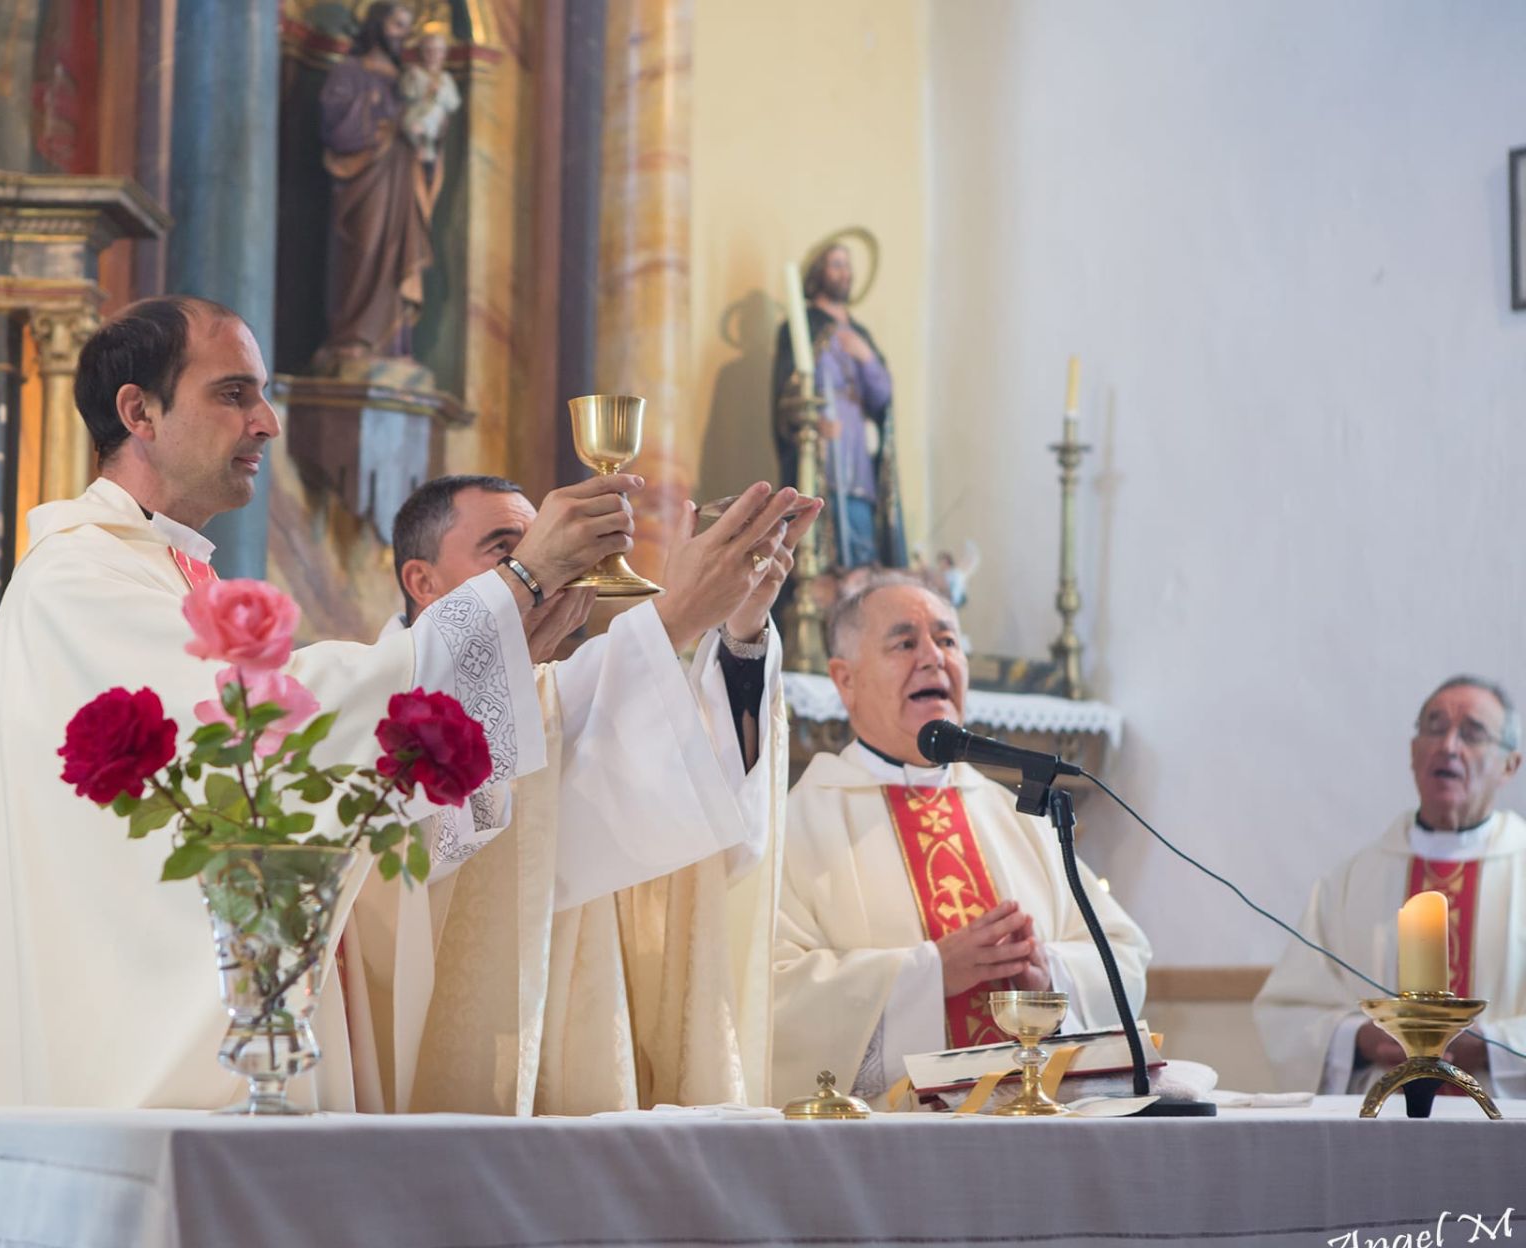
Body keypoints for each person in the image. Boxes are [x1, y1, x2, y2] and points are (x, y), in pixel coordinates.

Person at [0, 296, 638, 1109]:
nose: (266, 422)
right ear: (139, 412)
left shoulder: (166, 573)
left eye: (261, 395)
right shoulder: (78, 579)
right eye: (233, 394)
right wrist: (516, 585)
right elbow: (267, 738)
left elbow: (310, 778)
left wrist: (503, 645)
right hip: (127, 1081)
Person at [373, 475, 818, 1112]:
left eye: (552, 547)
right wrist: (680, 613)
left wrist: (741, 628)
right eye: (509, 553)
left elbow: (712, 830)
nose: (550, 570)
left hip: (582, 1036)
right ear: (423, 582)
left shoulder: (556, 692)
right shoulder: (373, 702)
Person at [771, 573, 1150, 1103]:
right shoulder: (800, 824)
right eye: (905, 642)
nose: (933, 658)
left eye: (948, 640)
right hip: (889, 1150)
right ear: (845, 680)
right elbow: (771, 996)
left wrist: (1049, 975)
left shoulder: (1017, 816)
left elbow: (1126, 958)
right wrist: (928, 976)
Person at [1255, 676, 1526, 1097]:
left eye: (1471, 734)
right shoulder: (1350, 882)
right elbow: (1288, 1014)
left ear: (1510, 765)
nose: (1448, 746)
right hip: (1382, 1124)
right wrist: (1362, 1039)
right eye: (1434, 728)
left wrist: (1493, 1047)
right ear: (1413, 753)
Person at [772, 242, 905, 570]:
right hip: (821, 450)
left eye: (847, 264)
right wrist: (812, 421)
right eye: (835, 264)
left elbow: (882, 397)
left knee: (859, 531)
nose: (845, 272)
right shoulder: (802, 327)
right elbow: (788, 391)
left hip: (856, 449)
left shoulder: (860, 334)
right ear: (818, 274)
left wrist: (867, 358)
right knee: (817, 541)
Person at [315, 2, 431, 371]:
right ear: (377, 24)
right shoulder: (349, 72)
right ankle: (352, 337)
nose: (401, 34)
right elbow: (334, 124)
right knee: (363, 250)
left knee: (398, 254)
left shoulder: (406, 80)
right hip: (365, 180)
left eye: (406, 27)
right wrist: (378, 121)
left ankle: (391, 343)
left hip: (401, 181)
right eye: (397, 24)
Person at [398, 29, 461, 169]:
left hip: (434, 117)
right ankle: (422, 145)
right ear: (422, 52)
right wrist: (411, 80)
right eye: (429, 50)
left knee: (436, 110)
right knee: (408, 121)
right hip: (416, 111)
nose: (433, 54)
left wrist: (440, 92)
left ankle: (426, 137)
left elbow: (454, 103)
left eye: (437, 51)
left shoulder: (445, 78)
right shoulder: (415, 72)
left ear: (443, 54)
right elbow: (407, 94)